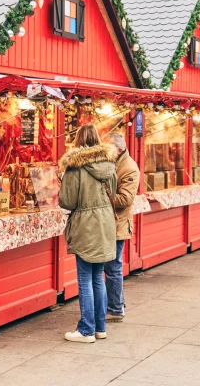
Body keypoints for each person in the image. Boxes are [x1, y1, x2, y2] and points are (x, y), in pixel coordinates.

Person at [59, 124, 117, 343]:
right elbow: (114, 189)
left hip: (85, 223)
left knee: (84, 278)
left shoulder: (75, 167)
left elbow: (67, 201)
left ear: (78, 141)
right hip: (105, 223)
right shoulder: (109, 164)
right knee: (98, 278)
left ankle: (86, 330)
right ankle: (100, 327)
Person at [103, 133, 139, 322]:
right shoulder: (116, 162)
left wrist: (102, 194)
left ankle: (115, 309)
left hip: (117, 224)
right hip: (110, 223)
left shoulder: (129, 168)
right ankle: (117, 306)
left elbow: (125, 200)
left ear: (118, 149)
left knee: (113, 267)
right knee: (111, 267)